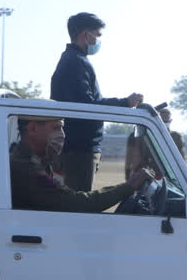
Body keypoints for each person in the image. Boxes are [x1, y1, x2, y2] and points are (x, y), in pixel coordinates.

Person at [50, 12, 143, 191]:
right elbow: (87, 108)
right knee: (79, 208)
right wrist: (124, 103)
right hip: (79, 151)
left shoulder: (74, 60)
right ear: (86, 35)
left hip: (78, 149)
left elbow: (89, 102)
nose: (99, 41)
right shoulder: (76, 63)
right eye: (98, 35)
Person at [11, 115, 151, 212]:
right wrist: (129, 187)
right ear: (32, 129)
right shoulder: (26, 167)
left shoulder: (37, 160)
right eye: (55, 128)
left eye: (62, 128)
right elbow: (75, 203)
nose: (62, 135)